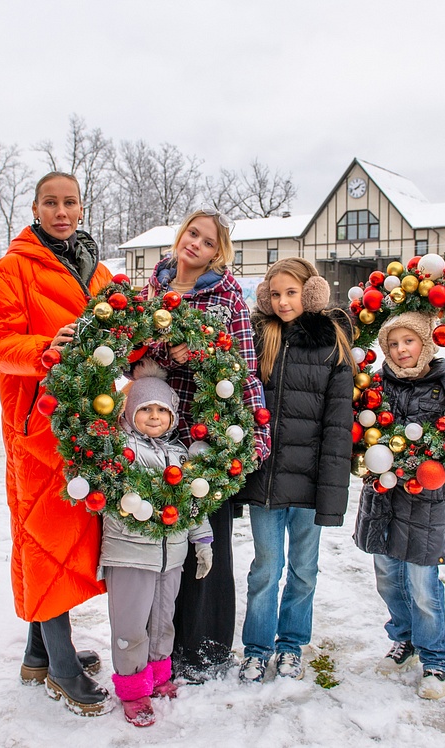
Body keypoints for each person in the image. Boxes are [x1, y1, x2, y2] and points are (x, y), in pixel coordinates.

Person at [0, 172, 114, 717]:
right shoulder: (11, 269)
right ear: (35, 208)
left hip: (89, 423)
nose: (62, 211)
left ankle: (39, 652)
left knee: (66, 536)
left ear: (82, 208)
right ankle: (61, 667)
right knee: (44, 535)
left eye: (70, 202)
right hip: (36, 425)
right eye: (51, 203)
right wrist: (45, 347)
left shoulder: (98, 271)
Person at [142, 207, 270, 684]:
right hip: (154, 431)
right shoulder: (152, 289)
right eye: (191, 233)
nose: (195, 243)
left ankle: (205, 649)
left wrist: (255, 435)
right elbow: (133, 349)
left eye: (207, 240)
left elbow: (242, 365)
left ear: (219, 252)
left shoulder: (228, 297)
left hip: (206, 436)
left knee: (206, 544)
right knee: (162, 544)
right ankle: (159, 646)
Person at [353, 311, 445, 701]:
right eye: (393, 344)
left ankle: (436, 657)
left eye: (409, 341)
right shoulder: (374, 386)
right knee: (386, 574)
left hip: (426, 498)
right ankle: (404, 639)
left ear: (426, 343)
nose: (401, 350)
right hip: (381, 493)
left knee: (422, 583)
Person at [235, 258, 356, 683]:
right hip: (266, 479)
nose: (283, 301)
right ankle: (256, 647)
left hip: (310, 481)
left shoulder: (332, 345)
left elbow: (338, 425)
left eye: (292, 292)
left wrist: (331, 491)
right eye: (276, 293)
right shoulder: (257, 338)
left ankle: (291, 645)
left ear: (310, 293)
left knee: (304, 569)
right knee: (266, 568)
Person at [103, 361, 214, 727]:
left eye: (161, 410)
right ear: (130, 411)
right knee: (131, 625)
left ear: (173, 414)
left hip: (172, 556)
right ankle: (133, 689)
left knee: (163, 620)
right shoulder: (121, 451)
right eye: (145, 409)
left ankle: (158, 673)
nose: (153, 417)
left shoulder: (180, 455)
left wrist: (202, 541)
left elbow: (193, 503)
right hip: (130, 554)